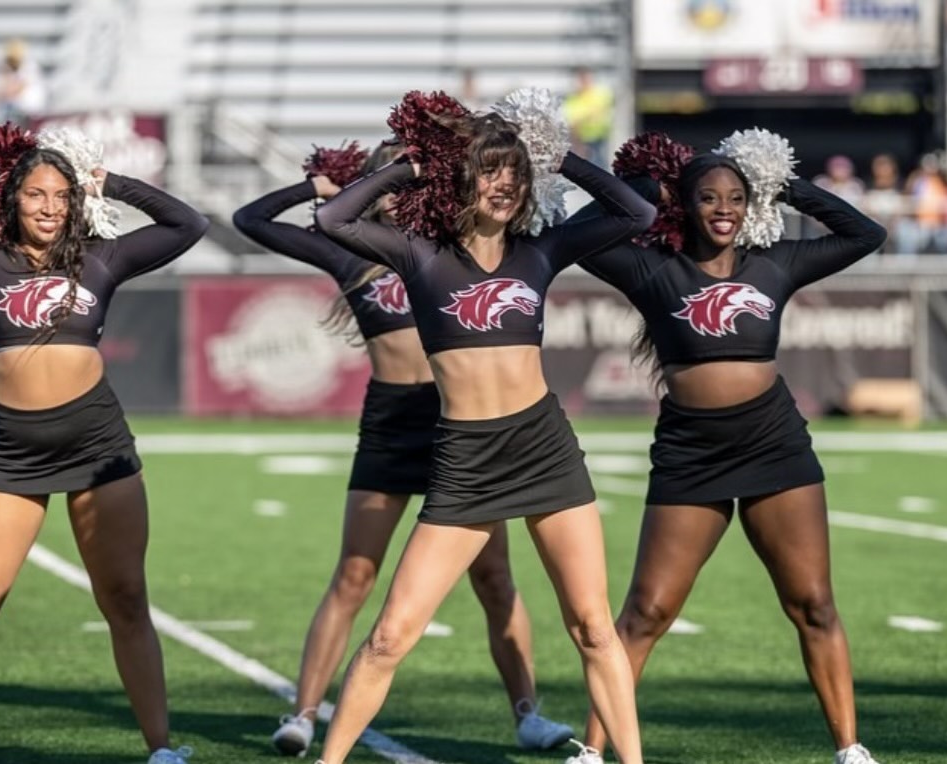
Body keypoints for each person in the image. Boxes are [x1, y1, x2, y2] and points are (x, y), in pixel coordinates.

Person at [310, 105, 655, 764]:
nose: (503, 186)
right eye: (488, 173)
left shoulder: (540, 251)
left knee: (591, 625)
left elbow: (635, 213)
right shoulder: (419, 255)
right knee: (390, 636)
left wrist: (561, 159)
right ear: (460, 182)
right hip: (466, 459)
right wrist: (413, 168)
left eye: (514, 174)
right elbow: (333, 220)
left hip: (543, 448)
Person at [231, 140, 574, 757]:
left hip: (462, 425)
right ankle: (305, 712)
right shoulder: (351, 253)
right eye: (383, 179)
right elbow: (250, 221)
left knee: (494, 576)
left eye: (405, 179)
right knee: (355, 573)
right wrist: (316, 188)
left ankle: (527, 712)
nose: (393, 192)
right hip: (392, 422)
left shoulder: (452, 247)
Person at [568, 131, 887, 764]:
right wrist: (642, 188)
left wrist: (781, 182)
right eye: (708, 197)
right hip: (692, 451)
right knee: (647, 611)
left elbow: (864, 235)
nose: (723, 208)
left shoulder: (776, 264)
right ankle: (594, 751)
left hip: (774, 443)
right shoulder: (652, 268)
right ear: (684, 206)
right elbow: (583, 233)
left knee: (813, 605)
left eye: (736, 198)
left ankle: (850, 750)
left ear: (749, 206)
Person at [0, 125, 208, 764]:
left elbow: (187, 225)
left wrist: (108, 184)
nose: (48, 207)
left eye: (61, 197)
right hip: (11, 456)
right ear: (12, 200)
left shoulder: (101, 258)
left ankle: (162, 750)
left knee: (124, 598)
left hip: (101, 447)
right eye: (35, 194)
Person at [563, 67, 613, 168]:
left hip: (598, 137)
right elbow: (572, 121)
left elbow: (598, 111)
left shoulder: (599, 94)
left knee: (600, 164)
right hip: (582, 139)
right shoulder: (573, 99)